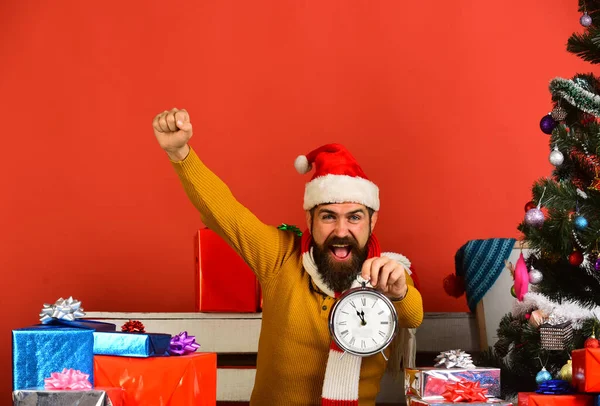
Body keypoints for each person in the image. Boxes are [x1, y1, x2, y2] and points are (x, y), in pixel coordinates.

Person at [152, 108, 424, 406]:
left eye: (355, 217)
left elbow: (413, 315)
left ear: (373, 222)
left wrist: (398, 293)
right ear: (309, 219)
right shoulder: (279, 257)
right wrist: (180, 153)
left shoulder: (386, 273)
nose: (341, 230)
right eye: (328, 216)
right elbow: (224, 213)